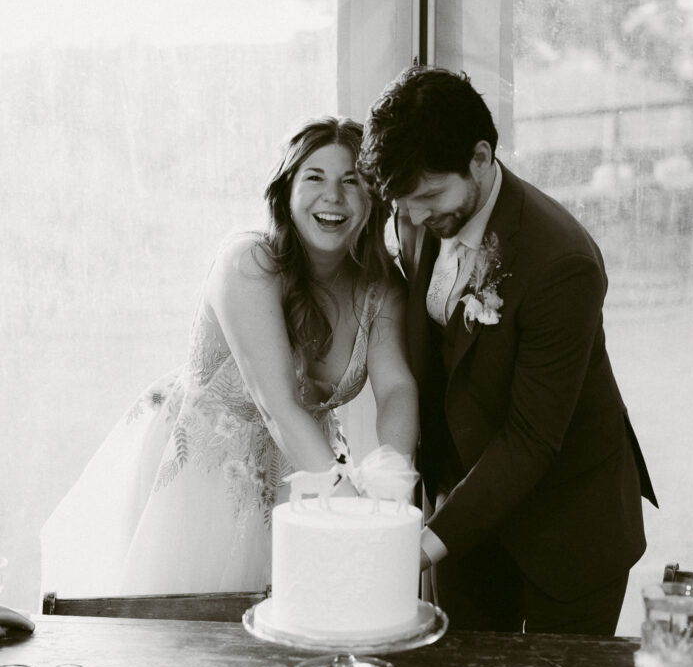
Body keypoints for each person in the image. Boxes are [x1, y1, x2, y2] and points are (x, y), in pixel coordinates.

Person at [41, 116, 418, 598]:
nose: (334, 197)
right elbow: (277, 405)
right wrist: (352, 510)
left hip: (303, 471)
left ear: (373, 199)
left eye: (351, 181)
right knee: (199, 645)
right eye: (315, 178)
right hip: (205, 473)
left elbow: (396, 387)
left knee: (298, 636)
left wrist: (392, 490)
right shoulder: (249, 263)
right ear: (285, 193)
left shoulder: (380, 288)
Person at [359, 66, 658, 635]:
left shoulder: (561, 262)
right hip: (465, 525)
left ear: (480, 157)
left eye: (428, 196)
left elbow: (531, 437)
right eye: (404, 202)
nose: (416, 217)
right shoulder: (419, 211)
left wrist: (419, 547)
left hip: (568, 531)